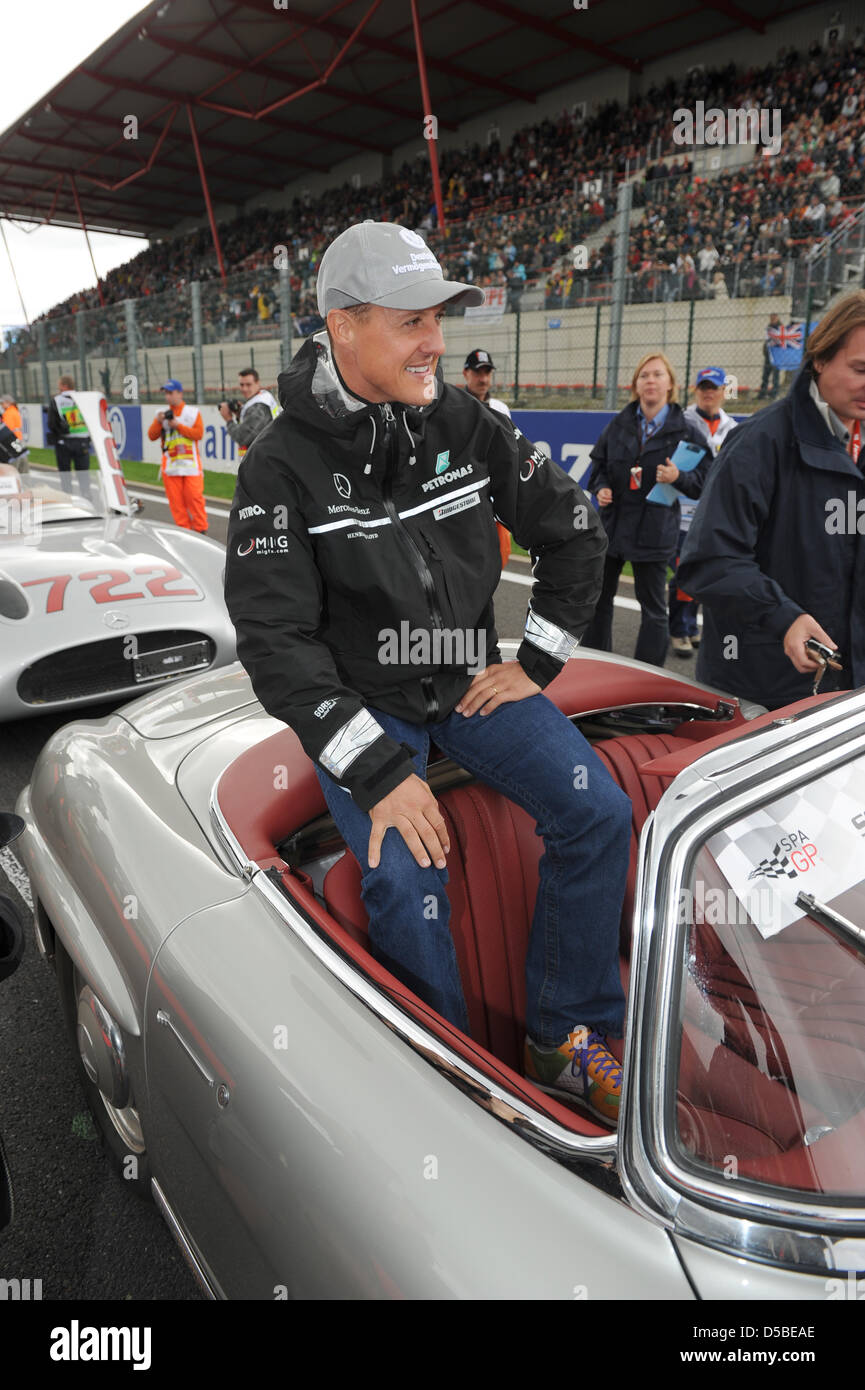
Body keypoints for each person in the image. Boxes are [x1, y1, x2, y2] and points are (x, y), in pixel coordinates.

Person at [224, 220, 632, 1123]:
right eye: (411, 321)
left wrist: (536, 661)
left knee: (598, 809)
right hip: (365, 706)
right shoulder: (278, 465)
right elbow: (274, 641)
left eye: (438, 319)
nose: (436, 342)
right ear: (342, 325)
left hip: (466, 679)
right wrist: (375, 774)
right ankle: (448, 1084)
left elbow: (573, 531)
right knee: (406, 874)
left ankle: (564, 1035)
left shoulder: (464, 418)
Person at [678, 291, 865, 711]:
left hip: (850, 692)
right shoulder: (760, 441)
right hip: (764, 692)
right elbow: (709, 560)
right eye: (860, 369)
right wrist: (784, 617)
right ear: (819, 359)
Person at [582, 352, 708, 667]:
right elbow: (597, 469)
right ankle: (597, 667)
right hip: (612, 526)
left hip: (655, 530)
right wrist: (601, 488)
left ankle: (646, 683)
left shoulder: (687, 430)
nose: (650, 380)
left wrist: (679, 477)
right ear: (636, 385)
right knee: (598, 602)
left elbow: (705, 482)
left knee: (653, 610)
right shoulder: (619, 423)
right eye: (644, 376)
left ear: (670, 385)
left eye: (657, 375)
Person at [670, 366, 738, 656]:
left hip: (714, 511)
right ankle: (678, 629)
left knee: (705, 570)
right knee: (684, 570)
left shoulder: (732, 427)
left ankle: (690, 626)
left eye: (714, 388)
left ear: (724, 392)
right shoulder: (680, 422)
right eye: (704, 387)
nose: (709, 393)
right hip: (682, 508)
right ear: (695, 390)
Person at [462, 348, 512, 569]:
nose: (483, 379)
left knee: (496, 561)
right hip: (465, 495)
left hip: (493, 497)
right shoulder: (454, 405)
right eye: (477, 372)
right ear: (466, 374)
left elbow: (510, 452)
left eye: (487, 372)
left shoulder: (501, 409)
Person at [147, 379, 207, 533]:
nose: (167, 397)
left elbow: (198, 434)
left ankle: (201, 530)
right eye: (166, 393)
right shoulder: (161, 415)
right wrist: (158, 422)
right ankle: (184, 531)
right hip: (171, 467)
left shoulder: (192, 413)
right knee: (176, 504)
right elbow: (151, 435)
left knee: (194, 498)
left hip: (191, 466)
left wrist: (178, 426)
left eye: (170, 393)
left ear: (180, 393)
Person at [219, 367, 281, 461]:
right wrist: (240, 414)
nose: (244, 388)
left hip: (262, 461)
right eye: (241, 385)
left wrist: (228, 419)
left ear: (257, 383)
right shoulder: (264, 397)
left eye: (248, 385)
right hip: (268, 456)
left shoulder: (258, 407)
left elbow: (242, 437)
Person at [46, 375, 91, 496]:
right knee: (83, 475)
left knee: (65, 474)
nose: (58, 387)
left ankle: (68, 500)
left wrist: (59, 431)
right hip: (83, 441)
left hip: (64, 442)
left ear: (64, 386)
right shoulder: (84, 398)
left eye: (59, 385)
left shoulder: (56, 400)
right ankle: (87, 498)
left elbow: (51, 424)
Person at [0, 395, 28, 474]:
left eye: (2, 403)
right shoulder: (15, 410)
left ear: (8, 403)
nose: (1, 405)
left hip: (11, 441)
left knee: (13, 466)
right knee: (22, 462)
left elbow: (6, 430)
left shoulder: (8, 413)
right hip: (18, 439)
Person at [758, 312, 782, 398]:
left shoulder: (780, 328)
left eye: (774, 318)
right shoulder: (769, 327)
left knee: (775, 376)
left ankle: (774, 393)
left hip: (776, 355)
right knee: (765, 375)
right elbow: (767, 341)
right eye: (771, 318)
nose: (772, 319)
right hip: (768, 355)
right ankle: (762, 393)